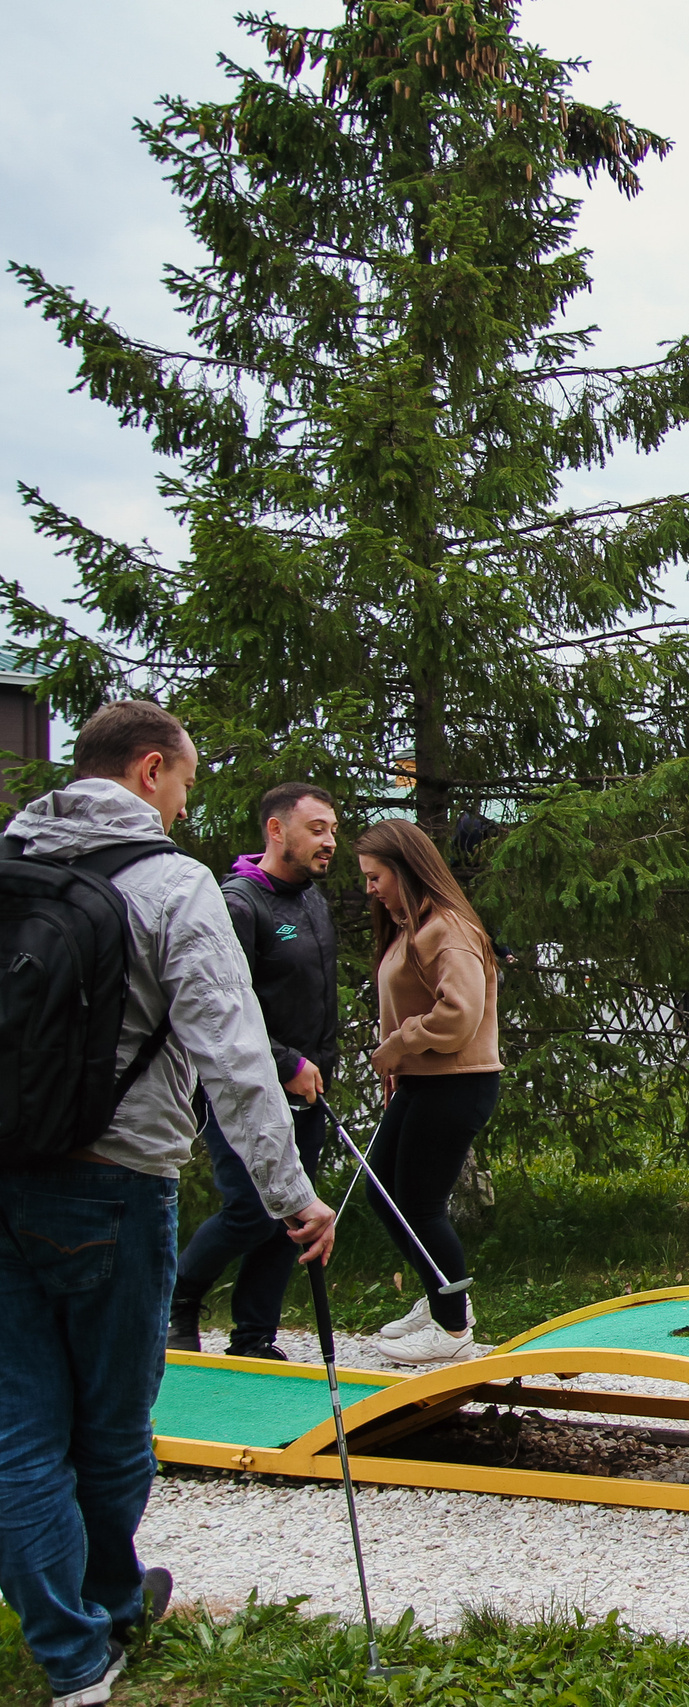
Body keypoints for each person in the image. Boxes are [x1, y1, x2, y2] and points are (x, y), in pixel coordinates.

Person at [0, 700, 336, 1707]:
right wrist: (293, 1197)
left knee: (17, 1424)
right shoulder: (172, 887)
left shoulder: (10, 869)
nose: (188, 806)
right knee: (108, 1427)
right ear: (151, 770)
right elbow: (235, 1059)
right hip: (116, 1180)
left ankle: (70, 1648)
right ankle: (100, 1620)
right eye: (186, 783)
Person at [168, 782, 342, 1360]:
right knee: (249, 1211)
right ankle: (179, 1296)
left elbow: (319, 996)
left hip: (308, 1092)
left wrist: (320, 1062)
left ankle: (253, 1339)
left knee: (292, 1218)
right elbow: (217, 1012)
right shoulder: (238, 904)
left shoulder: (312, 899)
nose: (329, 842)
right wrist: (285, 1059)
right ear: (276, 830)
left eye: (334, 830)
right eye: (317, 829)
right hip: (244, 1088)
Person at [353, 819, 501, 1365]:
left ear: (405, 870)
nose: (370, 889)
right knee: (381, 1192)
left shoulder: (448, 929)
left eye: (376, 877)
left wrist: (397, 1045)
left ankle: (453, 1325)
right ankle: (440, 1293)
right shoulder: (407, 926)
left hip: (457, 1084)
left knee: (419, 1202)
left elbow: (459, 1017)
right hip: (423, 1081)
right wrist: (401, 1056)